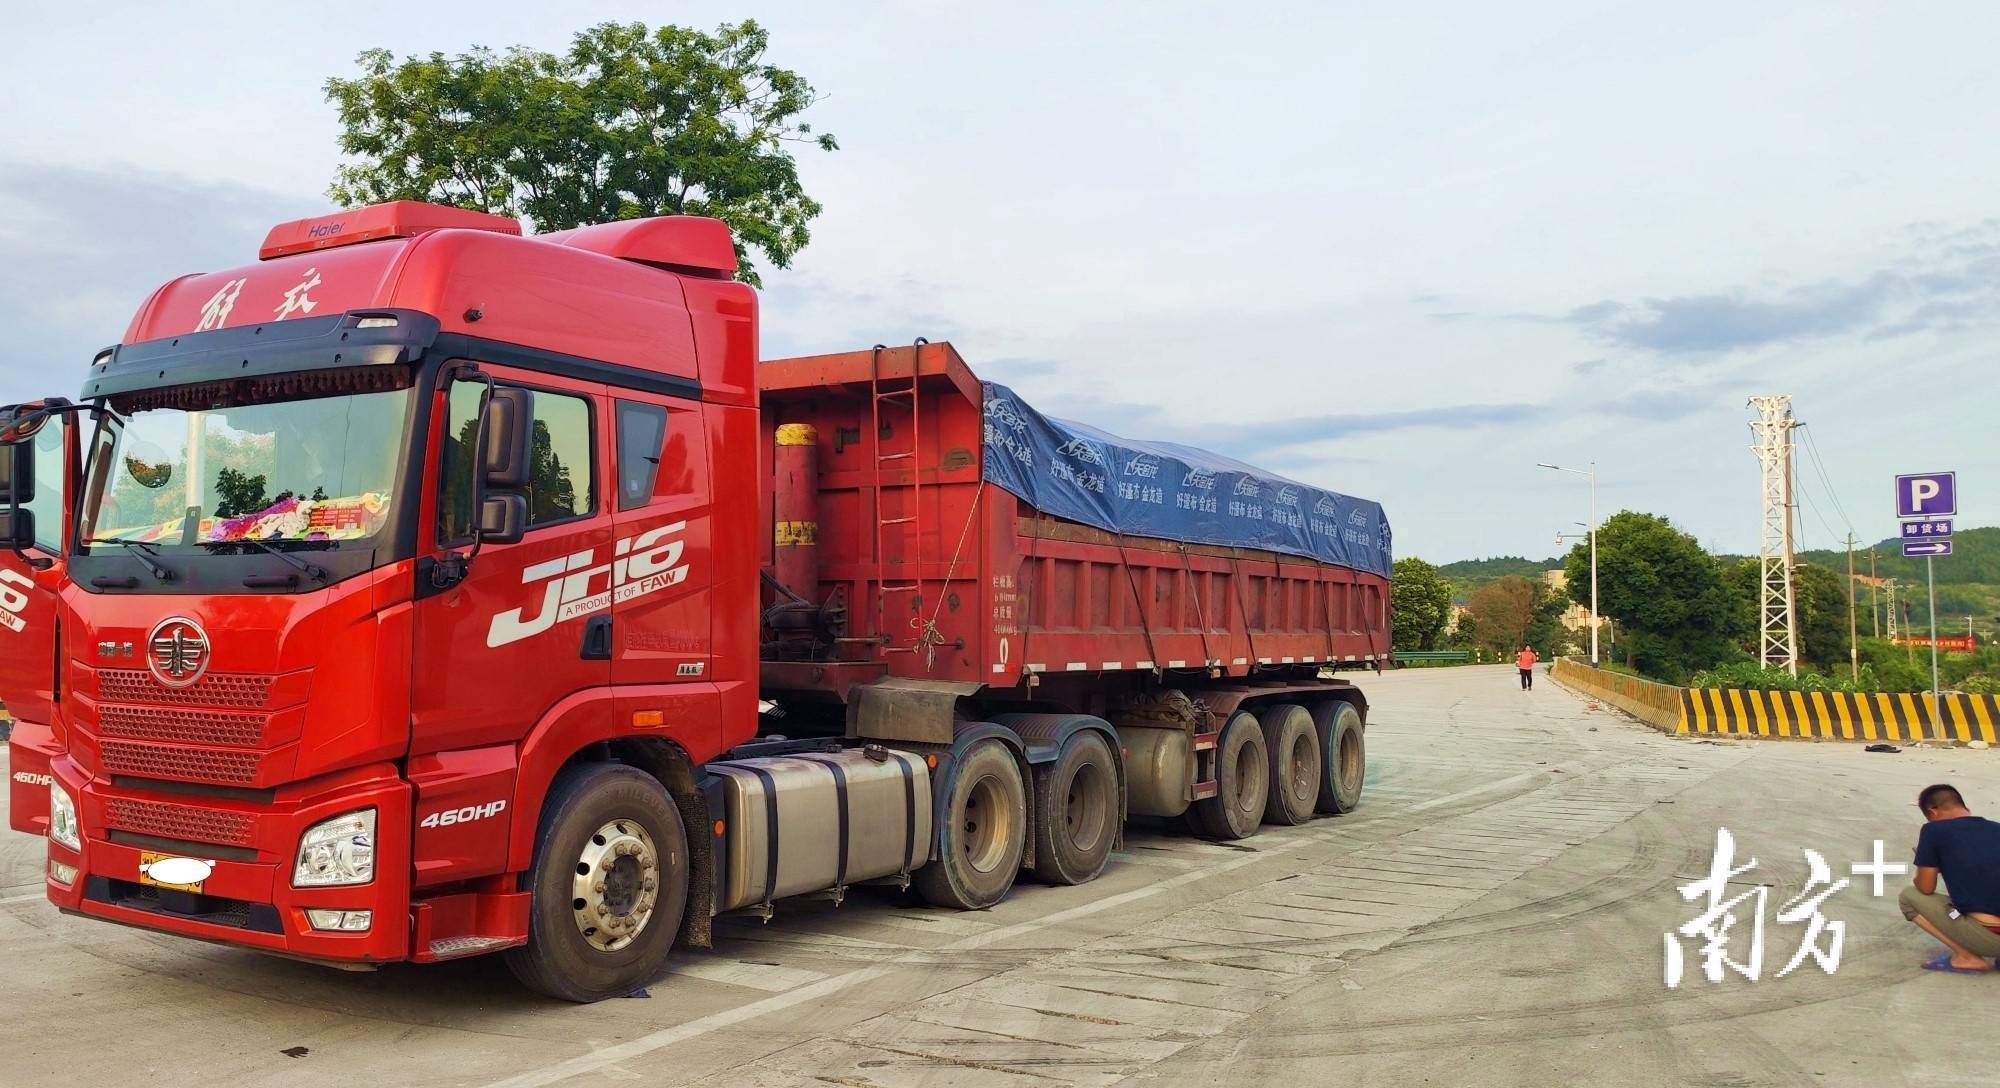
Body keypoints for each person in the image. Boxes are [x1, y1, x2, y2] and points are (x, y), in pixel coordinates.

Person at [1898, 783, 2000, 974]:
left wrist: (1925, 868)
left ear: (1933, 811)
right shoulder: (1997, 828)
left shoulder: (1934, 831)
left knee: (1909, 897)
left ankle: (1967, 957)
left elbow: (1926, 888)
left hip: (1990, 935)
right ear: (1966, 808)